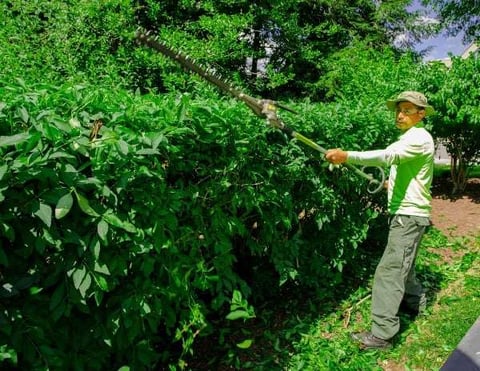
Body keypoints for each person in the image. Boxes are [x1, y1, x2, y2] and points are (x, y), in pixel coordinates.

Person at [325, 91, 435, 349]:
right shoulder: (411, 138)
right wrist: (391, 183)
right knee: (404, 265)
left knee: (389, 272)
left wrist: (347, 155)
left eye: (408, 110)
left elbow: (388, 156)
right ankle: (417, 304)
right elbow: (407, 168)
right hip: (409, 213)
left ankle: (382, 335)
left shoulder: (418, 137)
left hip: (409, 216)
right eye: (399, 109)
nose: (401, 114)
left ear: (421, 114)